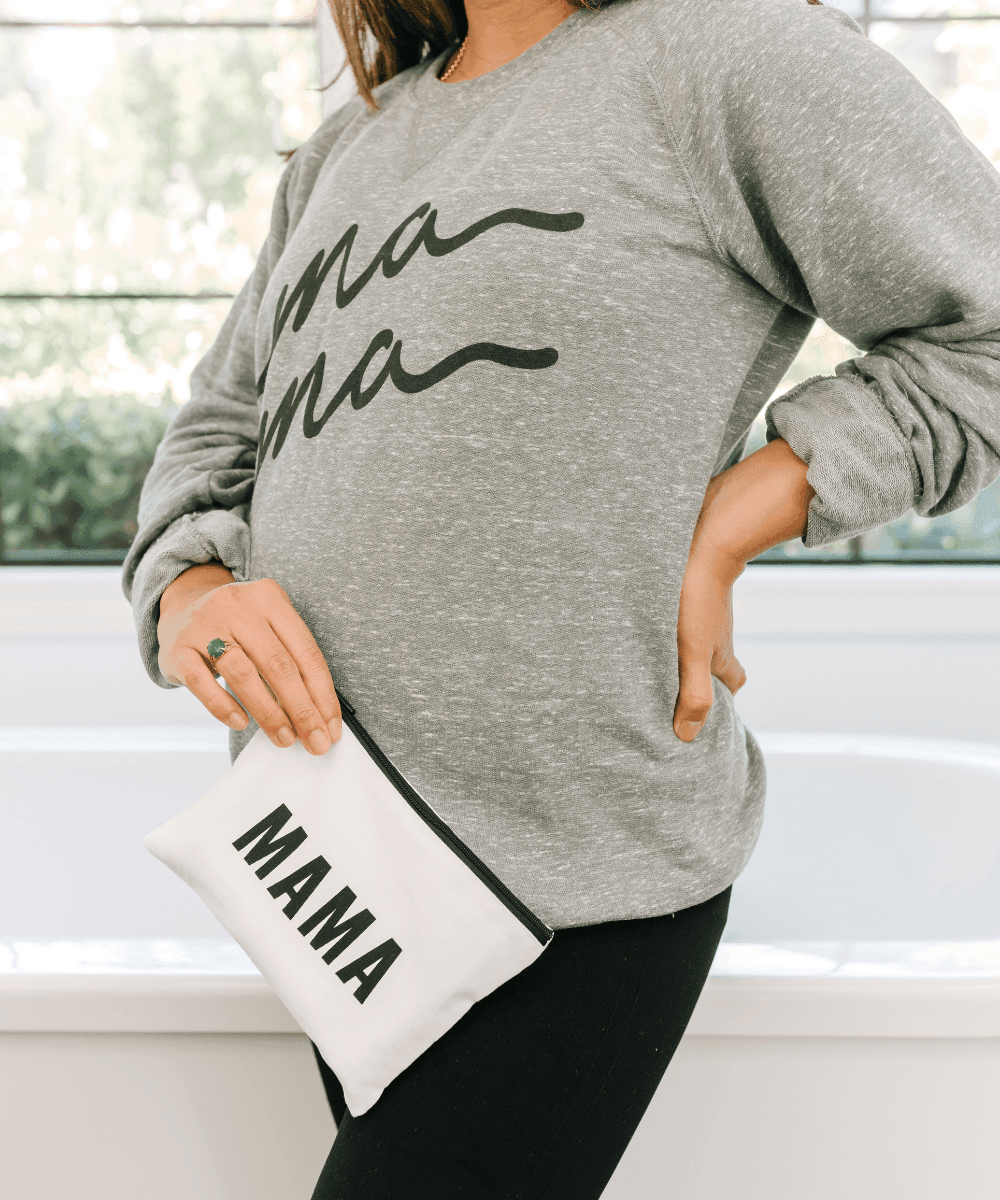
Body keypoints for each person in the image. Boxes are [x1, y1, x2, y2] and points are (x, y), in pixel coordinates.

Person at [123, 0, 1000, 1193]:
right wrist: (190, 592)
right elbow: (219, 432)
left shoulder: (727, 58)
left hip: (566, 877)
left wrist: (729, 525)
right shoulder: (355, 145)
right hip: (333, 868)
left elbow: (984, 330)